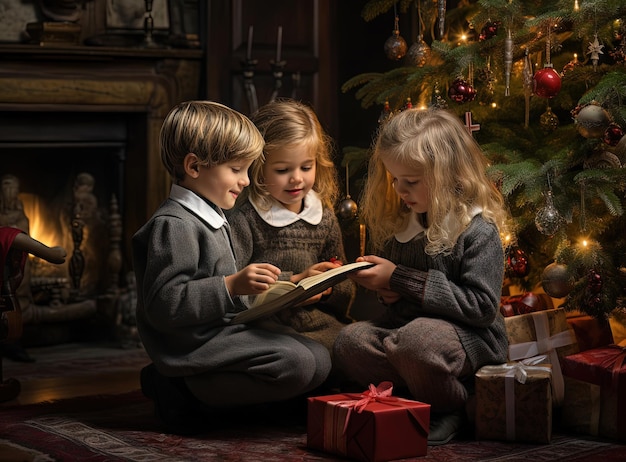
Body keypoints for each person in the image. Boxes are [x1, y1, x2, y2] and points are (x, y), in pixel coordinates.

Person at [132, 101, 332, 434]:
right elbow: (163, 304)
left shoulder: (214, 215)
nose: (246, 181)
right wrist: (228, 287)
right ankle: (181, 389)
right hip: (194, 342)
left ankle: (219, 398)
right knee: (296, 363)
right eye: (237, 169)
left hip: (224, 329)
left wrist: (292, 281)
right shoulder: (174, 225)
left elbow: (236, 279)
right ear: (194, 167)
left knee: (318, 356)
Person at [333, 107, 509, 445]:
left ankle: (451, 406)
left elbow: (482, 307)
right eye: (394, 179)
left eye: (410, 181)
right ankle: (416, 392)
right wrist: (386, 288)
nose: (400, 189)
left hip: (469, 337)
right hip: (407, 332)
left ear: (447, 175)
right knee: (349, 342)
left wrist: (399, 279)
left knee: (418, 341)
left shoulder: (476, 229)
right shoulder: (408, 222)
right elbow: (401, 293)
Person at [228, 98, 355, 358]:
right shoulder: (247, 218)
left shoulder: (323, 217)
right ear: (259, 169)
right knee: (301, 356)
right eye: (283, 169)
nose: (297, 178)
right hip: (265, 325)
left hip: (316, 321)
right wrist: (293, 282)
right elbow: (235, 287)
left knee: (354, 346)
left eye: (306, 167)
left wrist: (327, 289)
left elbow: (345, 285)